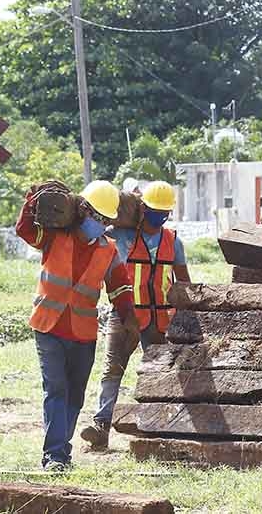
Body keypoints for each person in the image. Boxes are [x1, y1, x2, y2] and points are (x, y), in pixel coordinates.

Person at [16, 180, 140, 471]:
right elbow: (24, 230)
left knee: (75, 395)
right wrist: (32, 200)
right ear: (81, 210)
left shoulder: (108, 250)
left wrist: (130, 319)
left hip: (82, 332)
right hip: (49, 326)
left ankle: (62, 450)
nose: (99, 223)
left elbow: (120, 287)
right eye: (95, 216)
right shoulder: (54, 235)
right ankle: (55, 455)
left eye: (104, 220)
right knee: (56, 389)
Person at [80, 180, 190, 450]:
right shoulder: (122, 236)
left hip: (161, 319)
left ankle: (160, 426)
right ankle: (101, 426)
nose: (158, 220)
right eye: (153, 213)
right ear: (143, 209)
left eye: (163, 215)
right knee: (112, 370)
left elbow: (184, 282)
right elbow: (101, 226)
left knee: (161, 375)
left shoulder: (173, 241)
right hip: (125, 314)